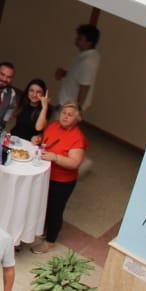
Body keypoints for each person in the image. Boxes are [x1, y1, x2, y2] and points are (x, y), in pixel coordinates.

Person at [32, 102, 88, 253]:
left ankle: (50, 241)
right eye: (63, 113)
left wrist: (55, 157)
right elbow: (46, 141)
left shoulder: (78, 138)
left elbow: (75, 163)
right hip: (45, 175)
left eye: (70, 115)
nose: (65, 117)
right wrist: (38, 140)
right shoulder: (53, 125)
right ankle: (41, 230)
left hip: (62, 181)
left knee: (55, 210)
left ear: (77, 119)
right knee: (42, 205)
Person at [56, 23, 101, 111]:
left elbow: (84, 88)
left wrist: (76, 110)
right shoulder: (86, 56)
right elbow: (78, 76)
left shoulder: (88, 61)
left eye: (80, 38)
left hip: (69, 107)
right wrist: (64, 73)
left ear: (89, 42)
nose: (76, 40)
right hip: (66, 103)